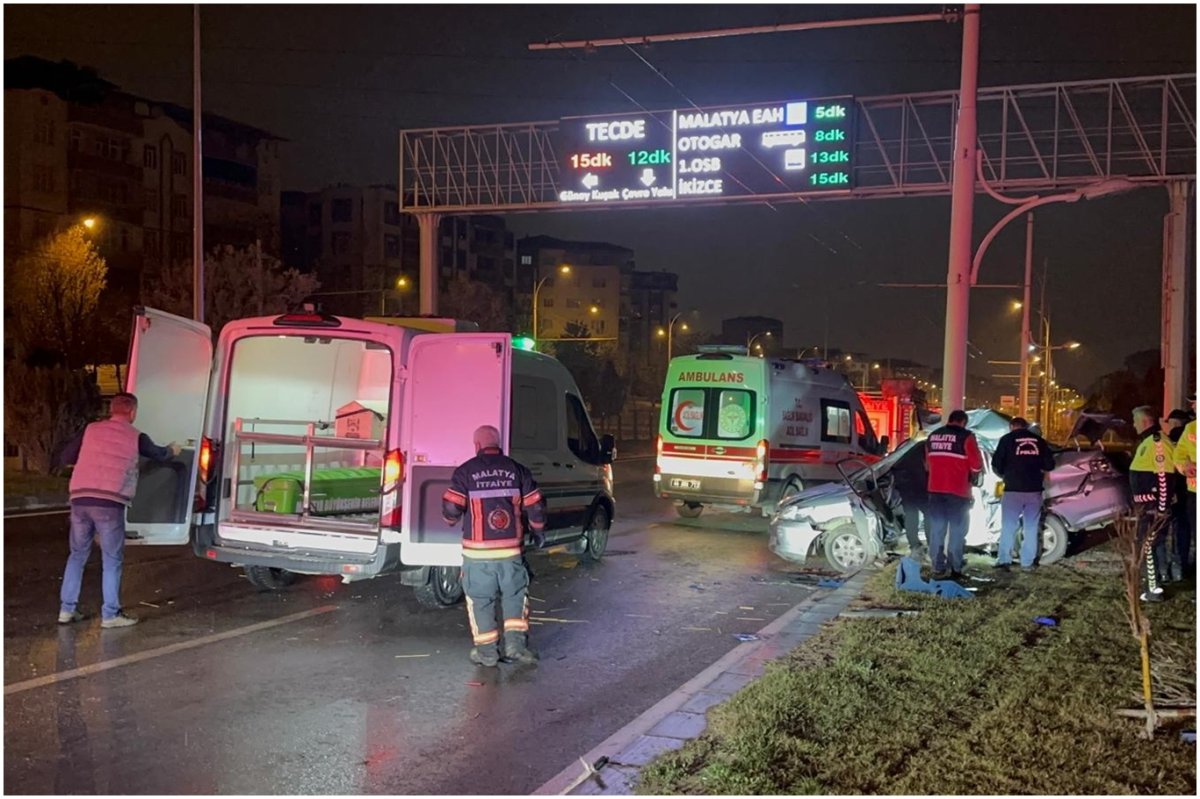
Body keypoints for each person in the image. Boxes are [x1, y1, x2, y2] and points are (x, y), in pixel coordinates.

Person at [56, 392, 180, 628]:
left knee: (77, 555)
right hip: (109, 503)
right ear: (132, 412)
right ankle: (110, 614)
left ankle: (66, 610)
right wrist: (174, 449)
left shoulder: (91, 429)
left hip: (80, 499)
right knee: (112, 559)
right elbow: (160, 455)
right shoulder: (136, 436)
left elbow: (66, 456)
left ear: (111, 410)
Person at [443, 425, 546, 667]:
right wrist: (538, 531)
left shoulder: (465, 472)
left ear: (477, 446)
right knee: (514, 595)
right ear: (498, 444)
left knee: (480, 600)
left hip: (477, 555)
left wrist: (451, 520)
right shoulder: (517, 470)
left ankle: (487, 653)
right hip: (511, 553)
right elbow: (536, 506)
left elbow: (450, 509)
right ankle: (515, 647)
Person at [924, 410, 984, 581]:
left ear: (949, 420)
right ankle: (955, 568)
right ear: (963, 422)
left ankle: (937, 567)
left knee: (937, 530)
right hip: (959, 492)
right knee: (957, 531)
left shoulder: (932, 436)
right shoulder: (966, 437)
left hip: (935, 491)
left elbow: (927, 465)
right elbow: (977, 465)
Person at [991, 417, 1055, 571]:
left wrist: (1005, 475)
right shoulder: (1039, 441)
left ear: (1011, 426)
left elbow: (996, 464)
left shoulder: (1006, 440)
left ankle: (1004, 560)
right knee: (1031, 527)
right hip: (1033, 490)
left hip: (1012, 490)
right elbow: (1050, 464)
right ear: (1026, 427)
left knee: (1008, 526)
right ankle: (1027, 563)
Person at [1130, 405, 1176, 602]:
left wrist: (1162, 508)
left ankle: (1154, 589)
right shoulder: (1148, 442)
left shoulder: (1157, 443)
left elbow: (1164, 478)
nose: (1133, 425)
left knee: (1148, 545)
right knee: (1152, 545)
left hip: (1153, 507)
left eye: (1135, 421)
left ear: (1145, 422)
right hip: (1148, 505)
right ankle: (1156, 582)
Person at [890, 442, 930, 557]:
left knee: (911, 514)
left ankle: (914, 545)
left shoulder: (909, 446)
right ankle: (931, 544)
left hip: (905, 483)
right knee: (928, 513)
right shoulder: (924, 446)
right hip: (917, 483)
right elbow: (928, 466)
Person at [1172, 395, 1196, 578]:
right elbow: (1179, 455)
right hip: (1193, 493)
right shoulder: (1191, 428)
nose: (1194, 406)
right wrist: (1183, 466)